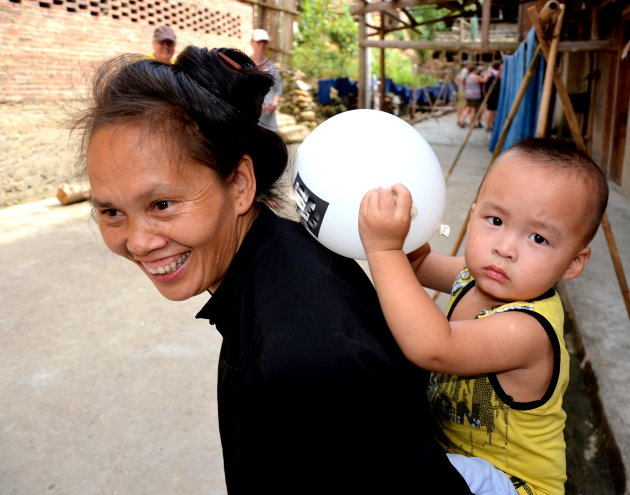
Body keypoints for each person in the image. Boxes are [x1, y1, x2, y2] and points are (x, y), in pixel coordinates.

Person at [75, 46, 473, 494]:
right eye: (110, 213)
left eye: (162, 204)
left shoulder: (304, 355)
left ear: (241, 184)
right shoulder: (278, 260)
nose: (138, 241)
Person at [358, 138, 609, 495]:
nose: (504, 248)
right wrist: (405, 225)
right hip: (460, 460)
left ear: (573, 262)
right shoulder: (475, 275)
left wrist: (383, 249)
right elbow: (421, 265)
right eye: (495, 220)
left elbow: (433, 346)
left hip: (513, 484)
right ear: (473, 213)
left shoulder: (527, 329)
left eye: (538, 238)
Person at [249, 28, 282, 131]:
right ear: (252, 43)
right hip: (252, 117)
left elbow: (278, 87)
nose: (262, 45)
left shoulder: (271, 66)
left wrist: (275, 102)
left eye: (265, 42)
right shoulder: (246, 65)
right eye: (259, 42)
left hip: (269, 117)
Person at [483, 62, 502, 132]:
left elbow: (485, 85)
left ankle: (489, 124)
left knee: (491, 111)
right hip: (494, 94)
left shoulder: (489, 73)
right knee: (492, 111)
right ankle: (490, 124)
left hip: (491, 94)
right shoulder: (498, 74)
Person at [455, 61, 472, 128]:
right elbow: (461, 79)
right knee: (463, 106)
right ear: (467, 65)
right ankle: (461, 121)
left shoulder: (462, 71)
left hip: (461, 89)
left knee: (461, 105)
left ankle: (459, 120)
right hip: (463, 90)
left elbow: (456, 79)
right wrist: (465, 86)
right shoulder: (465, 71)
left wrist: (459, 86)